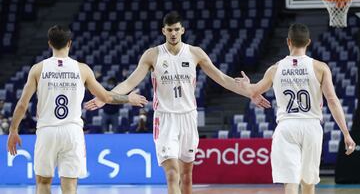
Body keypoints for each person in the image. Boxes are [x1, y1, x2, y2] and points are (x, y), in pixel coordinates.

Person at [85, 11, 270, 194]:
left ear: (183, 30)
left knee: (187, 176)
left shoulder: (195, 53)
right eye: (169, 30)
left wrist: (251, 91)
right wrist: (105, 96)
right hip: (165, 119)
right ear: (163, 31)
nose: (173, 33)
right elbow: (129, 83)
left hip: (188, 117)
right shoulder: (152, 55)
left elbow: (222, 78)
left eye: (176, 29)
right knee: (172, 173)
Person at [7, 25, 148, 194]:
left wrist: (13, 130)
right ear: (70, 43)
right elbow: (106, 97)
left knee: (43, 183)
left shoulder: (38, 69)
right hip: (72, 131)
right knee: (70, 186)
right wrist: (128, 98)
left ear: (49, 43)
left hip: (47, 131)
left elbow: (22, 104)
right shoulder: (82, 69)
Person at [237, 23, 356, 194]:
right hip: (311, 126)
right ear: (308, 42)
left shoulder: (275, 69)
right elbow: (332, 100)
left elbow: (254, 91)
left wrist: (247, 86)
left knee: (291, 183)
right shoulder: (320, 67)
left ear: (288, 42)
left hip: (287, 127)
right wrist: (345, 133)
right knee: (308, 182)